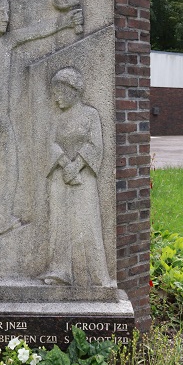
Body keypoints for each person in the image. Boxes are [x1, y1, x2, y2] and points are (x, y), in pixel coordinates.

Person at [0, 0, 83, 249]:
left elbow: (32, 33)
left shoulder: (6, 43)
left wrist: (65, 23)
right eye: (2, 13)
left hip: (4, 122)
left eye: (8, 12)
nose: (7, 18)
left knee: (9, 174)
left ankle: (1, 220)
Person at [41, 67, 112, 287]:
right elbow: (49, 144)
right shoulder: (56, 118)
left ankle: (93, 275)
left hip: (84, 180)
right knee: (59, 223)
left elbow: (95, 145)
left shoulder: (91, 115)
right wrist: (64, 165)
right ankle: (60, 271)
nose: (56, 99)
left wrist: (77, 166)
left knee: (86, 222)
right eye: (54, 94)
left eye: (60, 93)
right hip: (59, 179)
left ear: (73, 91)